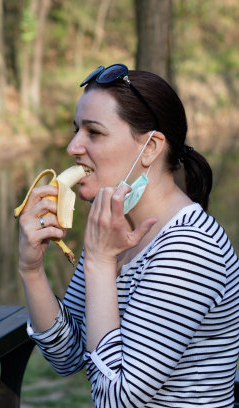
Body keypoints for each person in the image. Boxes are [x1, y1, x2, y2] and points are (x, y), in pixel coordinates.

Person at [17, 63, 239, 407]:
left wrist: (102, 265)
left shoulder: (190, 248)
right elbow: (69, 356)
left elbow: (117, 400)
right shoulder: (115, 231)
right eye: (76, 130)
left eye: (94, 132)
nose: (73, 147)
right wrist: (31, 269)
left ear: (150, 148)